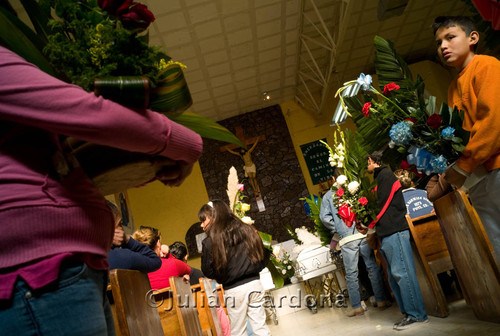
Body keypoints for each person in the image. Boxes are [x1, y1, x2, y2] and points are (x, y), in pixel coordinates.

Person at [0, 46, 202, 335]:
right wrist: (187, 146)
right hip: (38, 275)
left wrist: (153, 165)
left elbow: (60, 163)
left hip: (61, 269)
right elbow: (88, 112)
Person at [433, 16, 500, 261]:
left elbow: (494, 122)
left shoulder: (486, 65)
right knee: (496, 246)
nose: (443, 46)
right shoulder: (453, 87)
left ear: (473, 38)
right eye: (439, 42)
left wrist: (463, 165)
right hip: (478, 178)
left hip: (496, 168)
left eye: (450, 37)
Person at [367, 151, 428, 330]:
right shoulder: (381, 177)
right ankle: (408, 313)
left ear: (371, 160)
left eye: (367, 163)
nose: (367, 167)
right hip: (387, 232)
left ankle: (416, 314)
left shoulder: (385, 176)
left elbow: (383, 205)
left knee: (403, 273)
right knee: (395, 277)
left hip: (395, 230)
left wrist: (369, 220)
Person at [199, 200, 271, 336]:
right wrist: (254, 269)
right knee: (261, 328)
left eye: (204, 220)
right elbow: (262, 253)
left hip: (234, 290)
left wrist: (222, 277)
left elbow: (207, 270)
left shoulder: (210, 241)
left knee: (239, 332)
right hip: (255, 284)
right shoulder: (247, 229)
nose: (202, 225)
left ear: (214, 216)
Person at [319, 189, 389, 317]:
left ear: (333, 179)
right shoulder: (353, 188)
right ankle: (381, 300)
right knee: (372, 267)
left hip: (346, 239)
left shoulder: (329, 196)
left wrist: (338, 228)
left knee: (351, 273)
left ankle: (357, 307)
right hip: (362, 233)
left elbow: (324, 217)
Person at [107, 201, 162, 273]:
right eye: (120, 224)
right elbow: (155, 261)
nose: (122, 229)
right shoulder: (123, 257)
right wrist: (127, 239)